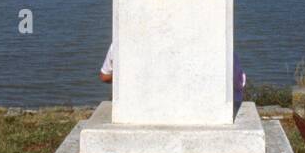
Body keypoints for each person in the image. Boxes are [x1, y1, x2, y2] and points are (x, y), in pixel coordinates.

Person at [100, 41, 246, 104]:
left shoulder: (117, 45)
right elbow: (238, 83)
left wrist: (128, 75)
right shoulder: (224, 50)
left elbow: (104, 76)